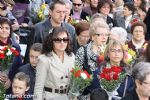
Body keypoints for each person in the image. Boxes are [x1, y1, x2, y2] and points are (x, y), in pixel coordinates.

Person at [34, 27, 75, 100]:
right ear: (51, 41)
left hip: (66, 97)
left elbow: (73, 83)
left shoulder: (71, 57)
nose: (62, 42)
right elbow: (38, 88)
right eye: (58, 40)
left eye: (65, 40)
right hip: (49, 97)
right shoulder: (44, 60)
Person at [0, 17, 22, 91]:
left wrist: (11, 80)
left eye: (7, 28)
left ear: (10, 31)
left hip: (10, 87)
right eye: (1, 28)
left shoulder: (16, 47)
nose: (4, 30)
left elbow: (18, 68)